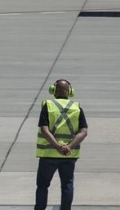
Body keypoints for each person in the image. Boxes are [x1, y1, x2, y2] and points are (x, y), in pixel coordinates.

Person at [35, 79, 88, 210]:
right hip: (68, 156)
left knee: (42, 186)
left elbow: (44, 129)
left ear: (53, 90)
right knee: (67, 185)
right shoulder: (76, 107)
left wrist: (58, 146)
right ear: (70, 92)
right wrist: (68, 147)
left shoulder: (47, 105)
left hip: (48, 155)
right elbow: (84, 132)